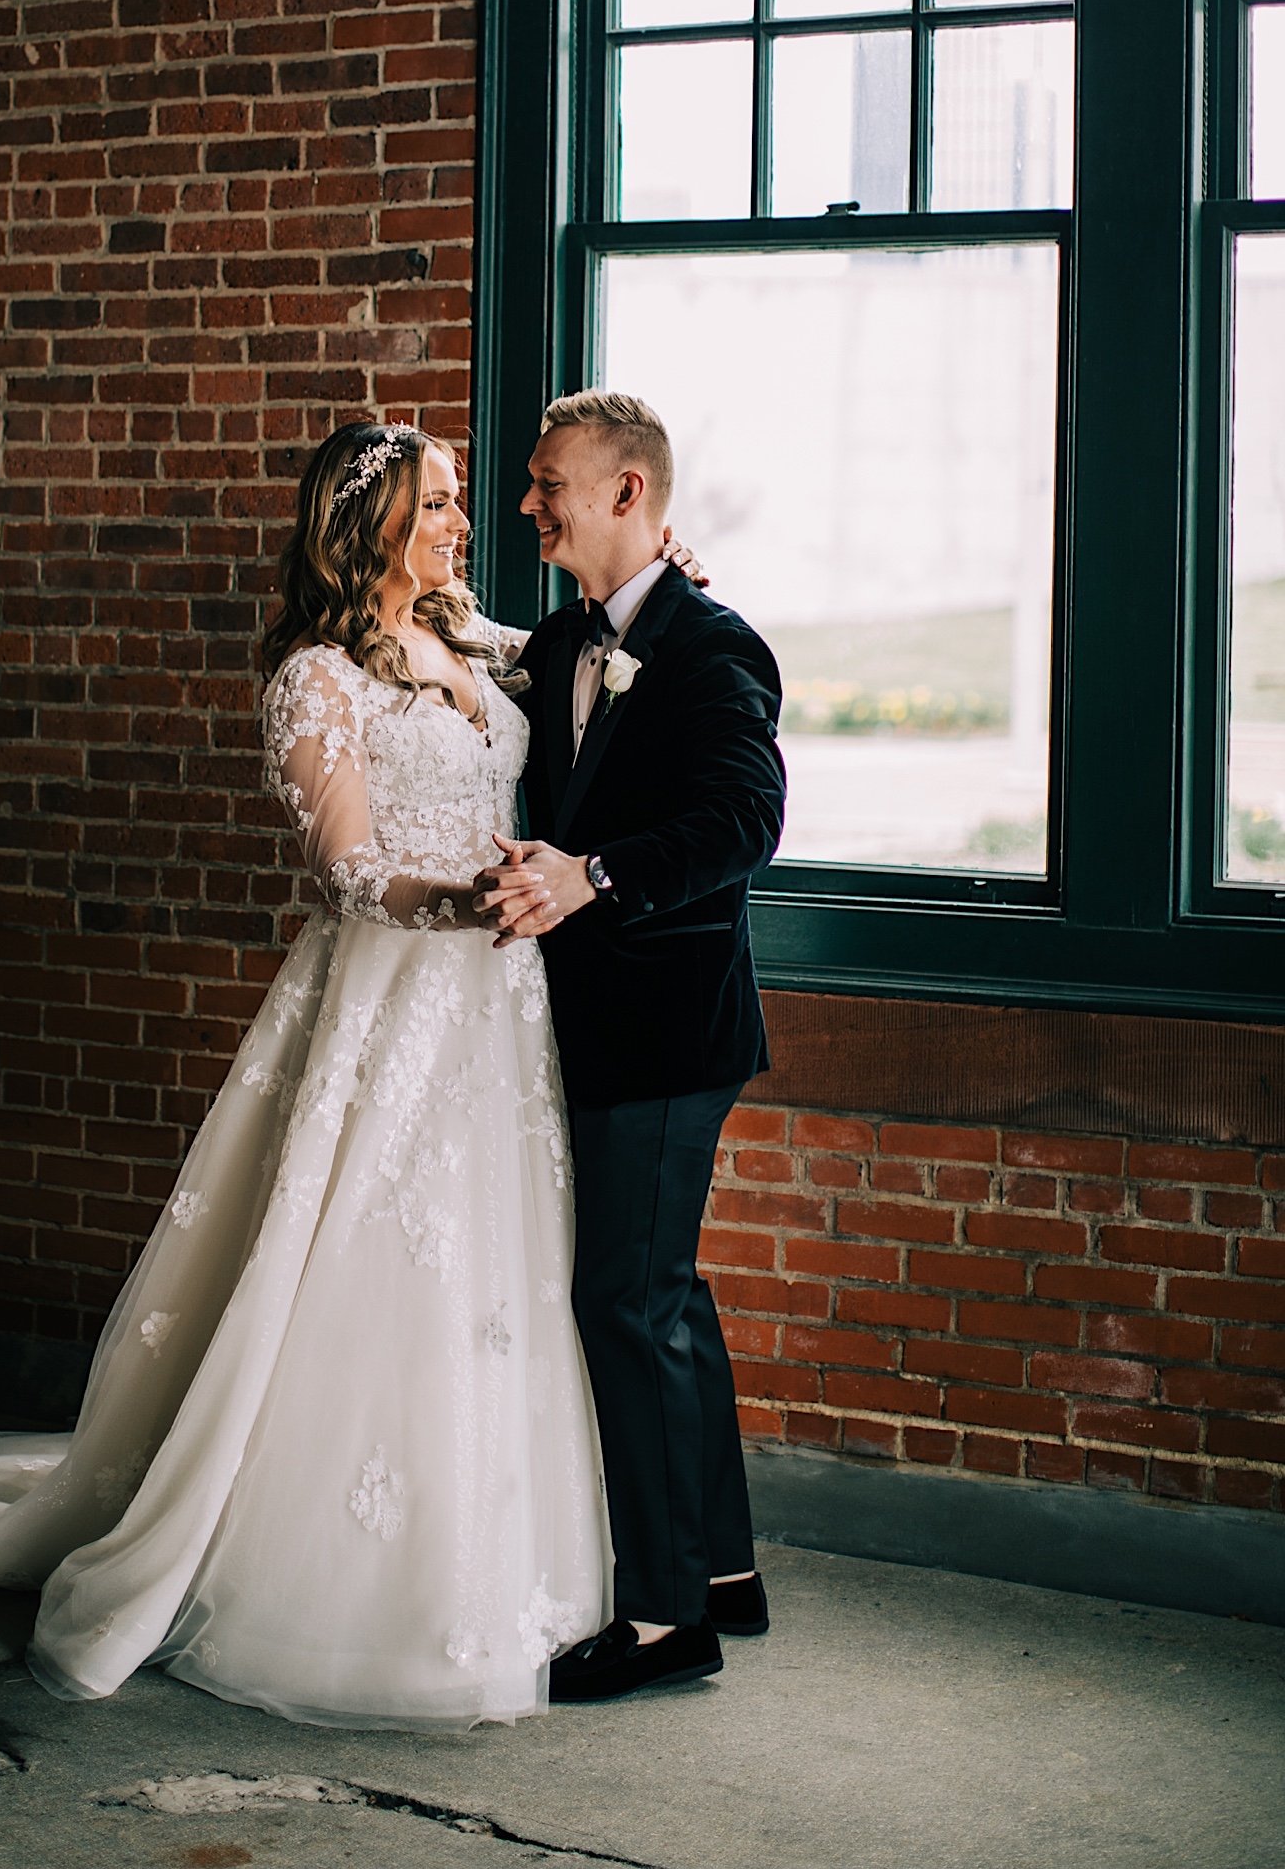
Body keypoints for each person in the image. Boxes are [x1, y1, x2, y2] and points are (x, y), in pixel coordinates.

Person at [0, 421, 618, 1730]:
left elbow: (587, 657)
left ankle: (485, 1555)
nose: (461, 522)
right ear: (369, 525)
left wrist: (673, 577)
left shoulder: (478, 640)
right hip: (391, 999)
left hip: (496, 1022)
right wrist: (464, 901)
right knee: (364, 1269)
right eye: (436, 505)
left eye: (454, 504)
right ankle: (312, 1570)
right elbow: (341, 869)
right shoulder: (315, 680)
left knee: (490, 1279)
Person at [476, 389, 786, 1704]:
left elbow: (741, 825)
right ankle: (721, 1570)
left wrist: (592, 874)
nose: (530, 503)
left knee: (624, 1298)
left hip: (670, 1033)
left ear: (628, 495)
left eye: (551, 482)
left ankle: (664, 1621)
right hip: (595, 1028)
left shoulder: (717, 650)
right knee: (667, 1291)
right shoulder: (557, 642)